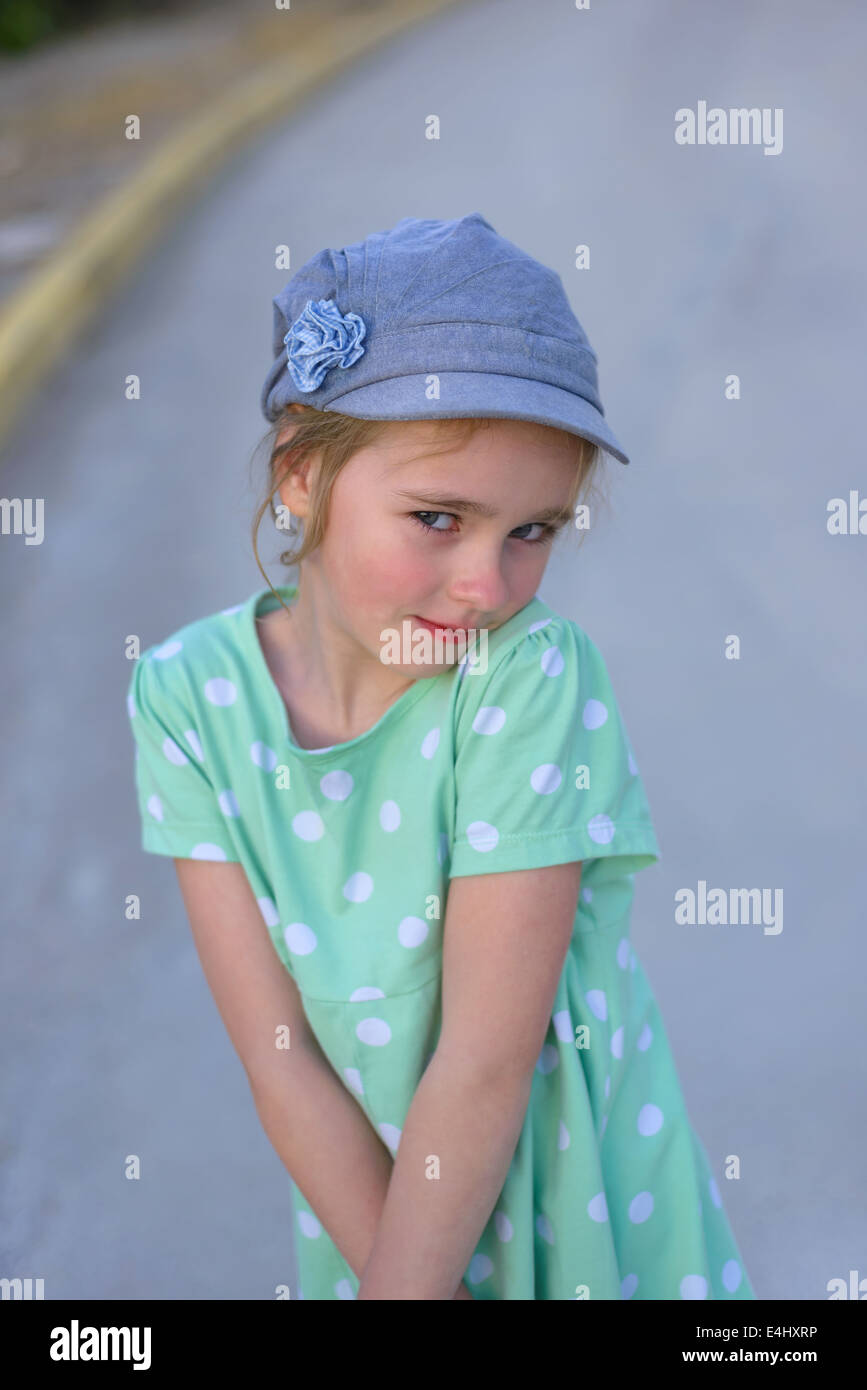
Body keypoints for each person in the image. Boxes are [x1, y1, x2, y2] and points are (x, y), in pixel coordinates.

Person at [126, 213, 756, 1301]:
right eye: (438, 517)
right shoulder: (189, 697)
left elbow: (485, 1058)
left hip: (574, 1199)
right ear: (300, 478)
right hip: (379, 1219)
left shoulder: (524, 678)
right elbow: (280, 1058)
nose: (488, 586)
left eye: (534, 531)